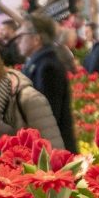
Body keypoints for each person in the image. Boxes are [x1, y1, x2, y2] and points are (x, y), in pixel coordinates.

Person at [17, 15, 76, 152]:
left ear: (36, 39)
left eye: (22, 35)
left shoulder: (48, 67)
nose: (18, 40)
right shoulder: (38, 63)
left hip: (51, 149)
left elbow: (48, 115)